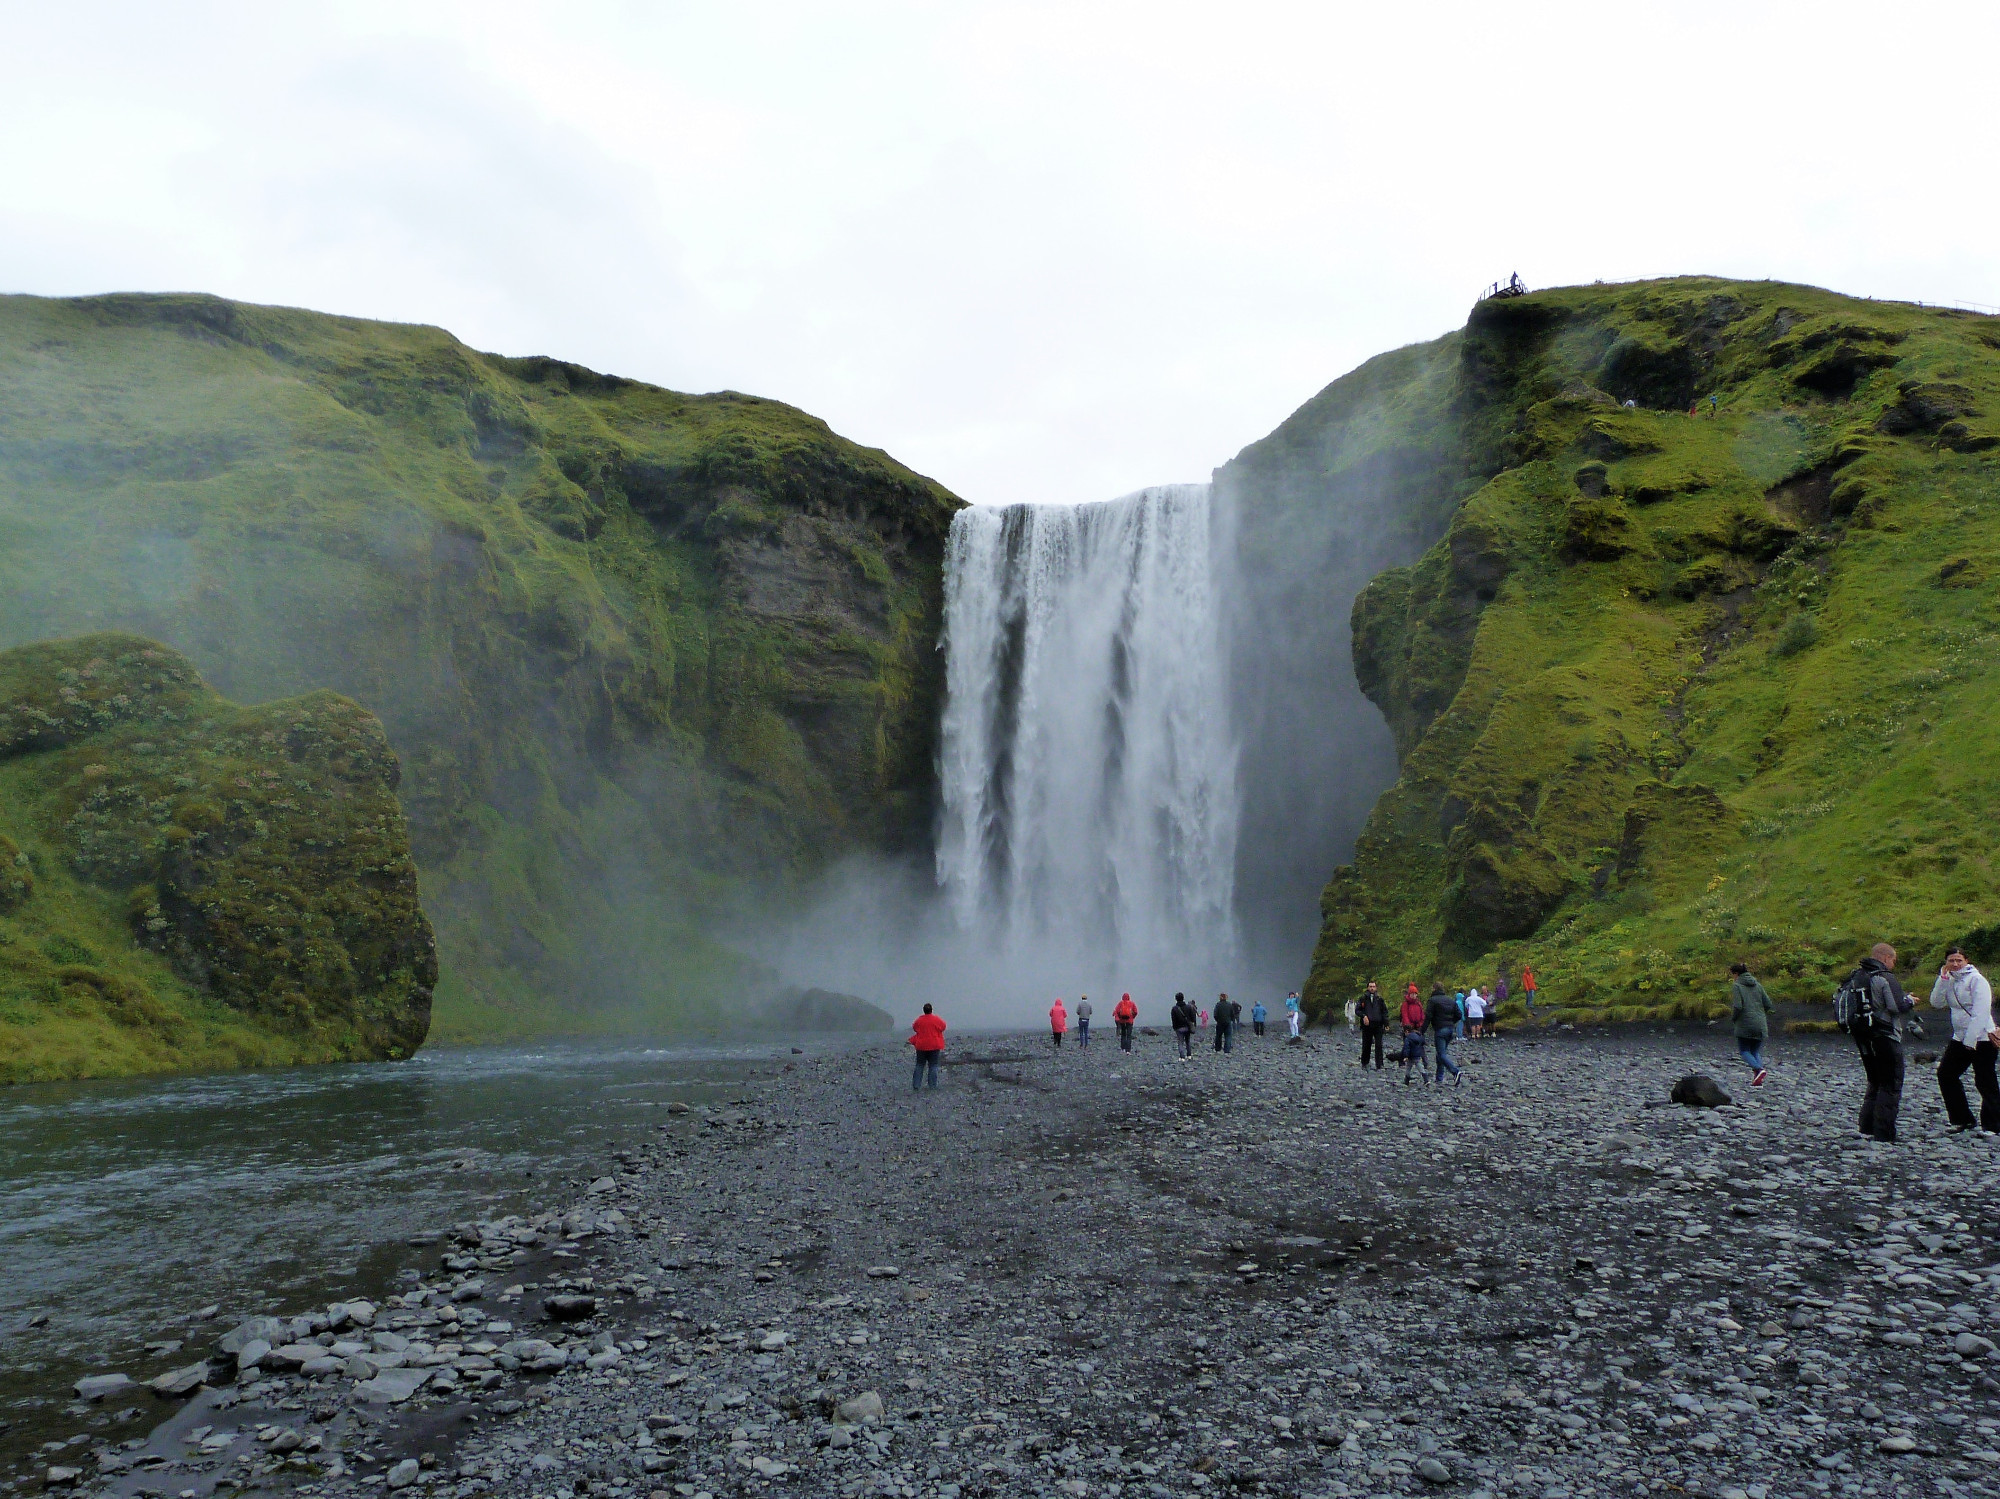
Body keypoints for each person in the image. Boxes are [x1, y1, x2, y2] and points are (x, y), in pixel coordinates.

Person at [1842, 942, 1915, 1142]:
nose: (1893, 964)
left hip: (1863, 1036)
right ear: (1885, 958)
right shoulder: (1883, 977)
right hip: (1884, 1035)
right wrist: (1909, 1001)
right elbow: (1895, 1006)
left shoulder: (1856, 976)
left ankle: (1866, 1128)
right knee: (1891, 1083)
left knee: (1874, 1081)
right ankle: (1884, 1132)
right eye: (1893, 960)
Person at [1931, 947, 1999, 1134]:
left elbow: (1981, 1012)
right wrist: (1942, 980)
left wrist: (1971, 1040)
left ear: (1966, 961)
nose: (1955, 964)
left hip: (1982, 1037)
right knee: (1946, 1074)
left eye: (1959, 960)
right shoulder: (1950, 980)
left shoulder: (1977, 980)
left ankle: (1993, 1125)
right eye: (1951, 960)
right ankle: (1962, 1119)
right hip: (1960, 1036)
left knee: (1985, 1080)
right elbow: (1936, 1003)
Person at [1729, 962, 1776, 1085]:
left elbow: (1738, 1006)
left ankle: (1759, 1069)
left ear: (1736, 974)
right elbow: (1768, 1004)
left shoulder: (1737, 985)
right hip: (1760, 1023)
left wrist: (1734, 1018)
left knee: (1744, 1051)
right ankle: (1758, 1078)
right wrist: (1759, 1014)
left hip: (1745, 1024)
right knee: (1754, 1051)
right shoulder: (1758, 985)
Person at [1428, 983, 1463, 1085]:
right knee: (1441, 1053)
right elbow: (1459, 1014)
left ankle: (1455, 1071)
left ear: (1434, 988)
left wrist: (1422, 1031)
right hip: (1450, 1030)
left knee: (1441, 1054)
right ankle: (1439, 1077)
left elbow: (1428, 1016)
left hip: (1440, 1030)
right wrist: (1452, 1022)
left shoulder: (1432, 1000)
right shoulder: (1450, 1000)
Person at [907, 1002, 946, 1091]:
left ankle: (916, 1085)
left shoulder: (919, 1020)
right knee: (933, 1065)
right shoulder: (936, 1019)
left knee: (920, 1065)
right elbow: (943, 1026)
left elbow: (915, 1028)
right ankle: (932, 1086)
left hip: (921, 1046)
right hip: (934, 1045)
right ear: (931, 1010)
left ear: (924, 1010)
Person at [1399, 988, 1429, 1085]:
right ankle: (1406, 1059)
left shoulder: (1418, 1003)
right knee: (1408, 1046)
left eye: (1415, 994)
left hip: (1417, 1028)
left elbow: (1422, 1015)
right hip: (1409, 1028)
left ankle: (1421, 1061)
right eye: (1412, 994)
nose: (1413, 995)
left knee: (1417, 1047)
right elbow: (1405, 1016)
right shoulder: (1405, 1004)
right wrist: (1409, 1028)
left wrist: (1420, 1024)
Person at [1357, 982, 1387, 1070]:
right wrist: (1363, 1016)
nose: (1372, 988)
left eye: (1373, 987)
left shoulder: (1379, 999)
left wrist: (1386, 1023)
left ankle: (1379, 1064)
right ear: (1367, 988)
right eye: (1370, 987)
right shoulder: (1363, 998)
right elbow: (1357, 1010)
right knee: (1366, 1044)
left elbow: (1384, 1012)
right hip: (1367, 1025)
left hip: (1378, 1024)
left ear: (1376, 988)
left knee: (1379, 1045)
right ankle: (1365, 1062)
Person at [1171, 992, 1195, 1060]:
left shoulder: (1174, 1009)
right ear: (1183, 998)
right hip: (1187, 1027)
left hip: (1179, 1028)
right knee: (1188, 1041)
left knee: (1180, 1042)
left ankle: (1182, 1057)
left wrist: (1174, 1027)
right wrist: (1192, 1024)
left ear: (1176, 999)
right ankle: (1189, 1055)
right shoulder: (1189, 1007)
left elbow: (1173, 1019)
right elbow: (1192, 1017)